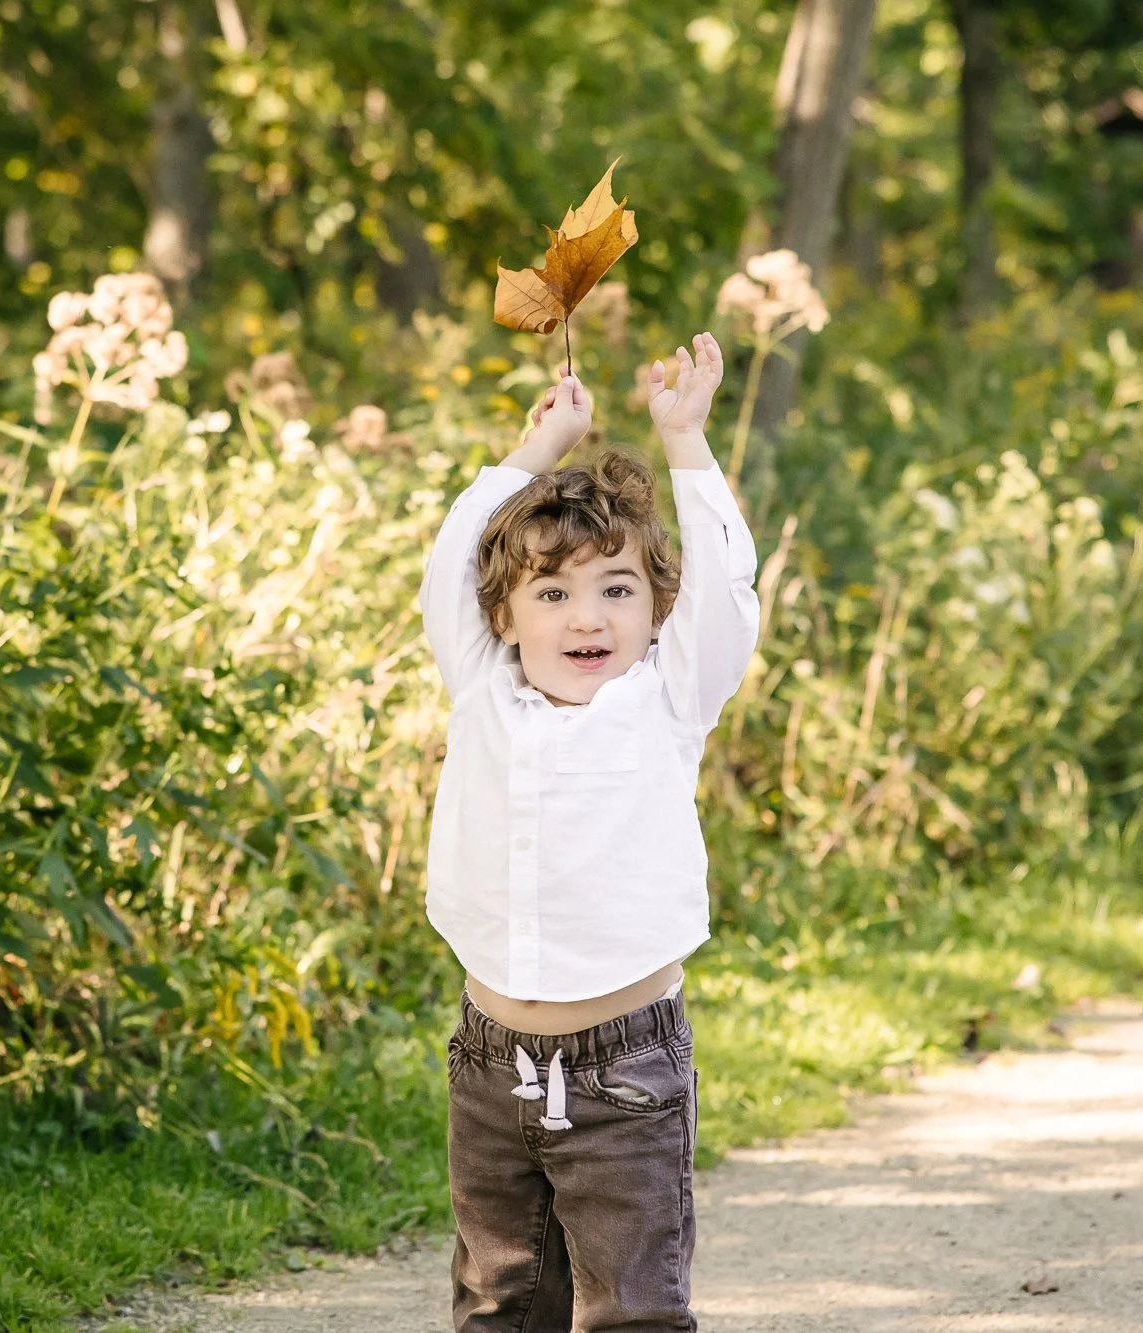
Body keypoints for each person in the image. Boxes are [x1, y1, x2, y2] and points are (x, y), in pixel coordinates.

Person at [418, 332, 761, 1331]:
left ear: (656, 608)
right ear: (502, 614)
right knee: (498, 1303)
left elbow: (727, 596)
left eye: (617, 589)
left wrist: (685, 441)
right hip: (489, 1065)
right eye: (553, 592)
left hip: (626, 1072)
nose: (587, 617)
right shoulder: (482, 687)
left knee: (631, 1311)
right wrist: (536, 450)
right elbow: (451, 561)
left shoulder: (667, 695)